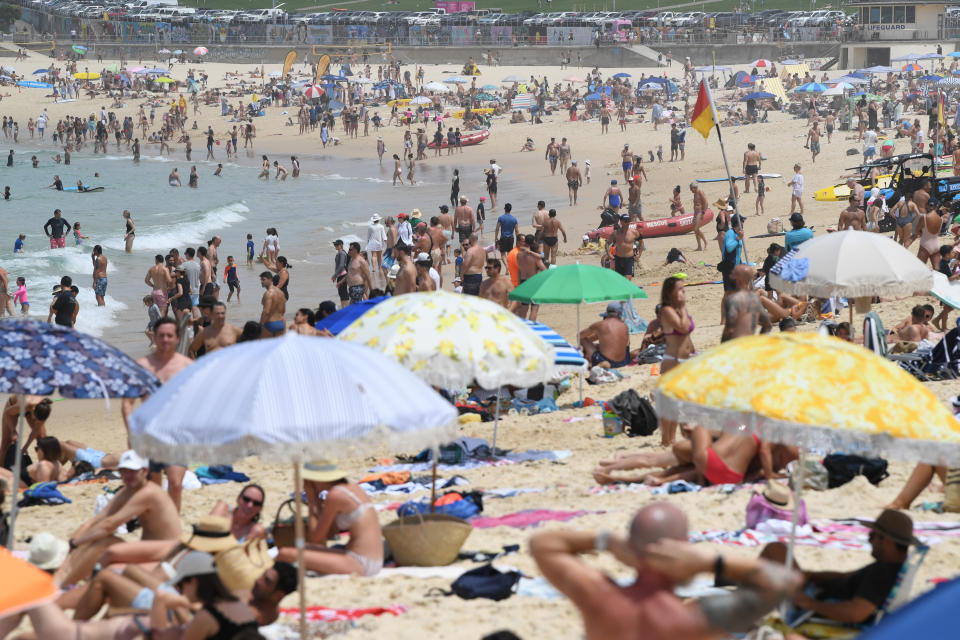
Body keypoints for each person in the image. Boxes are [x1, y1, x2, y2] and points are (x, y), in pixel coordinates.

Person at [530, 503, 800, 640]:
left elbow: (542, 544)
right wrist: (709, 562)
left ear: (632, 547)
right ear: (683, 550)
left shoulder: (599, 596)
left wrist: (607, 541)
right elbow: (785, 581)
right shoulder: (692, 619)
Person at [761, 510, 917, 624]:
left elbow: (856, 613)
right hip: (814, 594)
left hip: (811, 604)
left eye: (872, 536)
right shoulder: (892, 567)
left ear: (886, 541)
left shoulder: (882, 573)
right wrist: (811, 575)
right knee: (777, 551)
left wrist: (809, 603)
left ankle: (743, 602)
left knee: (775, 549)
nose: (869, 541)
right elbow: (846, 576)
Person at [54, 449, 182, 587]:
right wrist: (72, 543)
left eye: (133, 471)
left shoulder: (148, 493)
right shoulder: (127, 491)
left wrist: (75, 543)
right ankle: (63, 575)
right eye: (124, 471)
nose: (127, 475)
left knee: (108, 548)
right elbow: (99, 518)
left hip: (169, 548)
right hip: (150, 546)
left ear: (145, 471)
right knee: (95, 540)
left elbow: (110, 524)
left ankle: (66, 584)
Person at [121, 318, 193, 510]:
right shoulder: (142, 366)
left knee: (176, 485)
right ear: (154, 337)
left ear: (177, 338)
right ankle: (157, 523)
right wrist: (131, 433)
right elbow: (127, 403)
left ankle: (173, 526)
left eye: (169, 335)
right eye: (161, 335)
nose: (165, 340)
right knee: (152, 486)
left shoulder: (186, 366)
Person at [275, 462, 383, 576]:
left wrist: (312, 500)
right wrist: (317, 502)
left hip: (361, 562)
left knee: (284, 553)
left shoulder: (335, 495)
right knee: (307, 548)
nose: (306, 484)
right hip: (371, 559)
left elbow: (317, 538)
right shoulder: (351, 489)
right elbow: (330, 533)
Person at [722, 265, 772, 342]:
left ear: (739, 280)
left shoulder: (734, 299)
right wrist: (760, 339)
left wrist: (723, 346)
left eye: (733, 275)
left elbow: (730, 328)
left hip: (736, 344)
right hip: (749, 344)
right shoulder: (754, 298)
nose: (731, 277)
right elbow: (767, 325)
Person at [580, 302, 631, 368]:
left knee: (582, 339)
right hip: (624, 362)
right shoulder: (624, 326)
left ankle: (588, 359)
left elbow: (580, 335)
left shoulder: (599, 325)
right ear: (619, 313)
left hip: (607, 362)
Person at [611, 214, 640, 279]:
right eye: (626, 221)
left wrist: (638, 254)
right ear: (621, 222)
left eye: (629, 221)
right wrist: (609, 254)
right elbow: (608, 244)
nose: (628, 223)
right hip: (618, 259)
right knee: (619, 279)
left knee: (628, 278)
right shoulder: (616, 233)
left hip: (629, 259)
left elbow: (641, 242)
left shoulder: (634, 232)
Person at [259, 271, 286, 336]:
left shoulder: (268, 293)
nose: (261, 282)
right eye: (261, 280)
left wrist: (260, 325)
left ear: (270, 279)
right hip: (280, 323)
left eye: (263, 279)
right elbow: (283, 310)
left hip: (270, 324)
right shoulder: (281, 293)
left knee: (265, 345)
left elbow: (266, 311)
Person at [689, 183, 708, 252]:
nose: (691, 190)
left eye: (691, 189)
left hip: (700, 212)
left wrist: (703, 212)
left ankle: (705, 242)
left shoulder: (700, 192)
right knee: (696, 230)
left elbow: (706, 202)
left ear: (694, 188)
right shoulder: (695, 194)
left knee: (696, 229)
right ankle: (699, 246)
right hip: (696, 213)